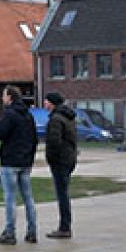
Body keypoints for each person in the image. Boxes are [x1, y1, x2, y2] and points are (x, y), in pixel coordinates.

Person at [0, 85, 39, 245]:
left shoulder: (9, 114)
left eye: (4, 96)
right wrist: (29, 157)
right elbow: (34, 139)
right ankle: (32, 231)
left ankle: (10, 232)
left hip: (10, 161)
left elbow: (1, 134)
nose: (2, 98)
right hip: (25, 161)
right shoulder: (28, 115)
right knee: (28, 197)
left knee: (10, 197)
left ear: (9, 97)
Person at [43, 92, 78, 239]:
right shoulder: (68, 118)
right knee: (64, 192)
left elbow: (54, 142)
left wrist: (51, 158)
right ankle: (65, 225)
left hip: (60, 161)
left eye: (46, 101)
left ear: (52, 103)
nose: (44, 104)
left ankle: (64, 227)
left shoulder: (56, 120)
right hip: (69, 158)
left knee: (62, 194)